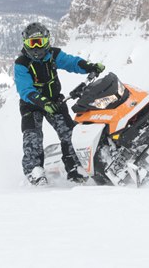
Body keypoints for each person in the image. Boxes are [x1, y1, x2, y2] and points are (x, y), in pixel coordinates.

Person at [14, 22, 105, 186]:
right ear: (25, 43)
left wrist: (89, 66)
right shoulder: (22, 63)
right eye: (32, 43)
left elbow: (72, 63)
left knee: (70, 133)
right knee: (32, 137)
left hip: (54, 101)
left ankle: (75, 168)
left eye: (39, 42)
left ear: (46, 41)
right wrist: (42, 102)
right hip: (31, 105)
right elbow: (25, 90)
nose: (36, 48)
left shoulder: (53, 55)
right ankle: (34, 171)